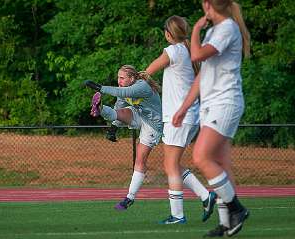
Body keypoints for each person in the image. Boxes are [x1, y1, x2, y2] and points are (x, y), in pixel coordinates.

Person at [172, 0, 250, 237]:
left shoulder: (227, 28)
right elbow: (202, 75)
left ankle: (237, 209)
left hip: (224, 103)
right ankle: (226, 223)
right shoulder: (216, 30)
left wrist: (195, 29)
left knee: (201, 156)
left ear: (208, 4)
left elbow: (196, 56)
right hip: (211, 105)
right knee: (221, 165)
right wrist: (184, 107)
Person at [145, 15, 216, 224]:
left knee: (171, 165)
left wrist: (134, 81)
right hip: (188, 116)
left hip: (178, 117)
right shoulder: (189, 50)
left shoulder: (173, 51)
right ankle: (206, 196)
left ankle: (178, 215)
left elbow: (148, 71)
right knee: (172, 164)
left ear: (168, 34)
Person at [84, 65, 163, 211]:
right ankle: (100, 108)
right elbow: (118, 110)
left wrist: (99, 87)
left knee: (140, 161)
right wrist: (113, 129)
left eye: (122, 78)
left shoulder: (141, 86)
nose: (119, 81)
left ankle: (130, 197)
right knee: (120, 112)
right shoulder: (123, 90)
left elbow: (125, 91)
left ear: (132, 79)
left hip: (153, 124)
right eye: (118, 78)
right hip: (140, 115)